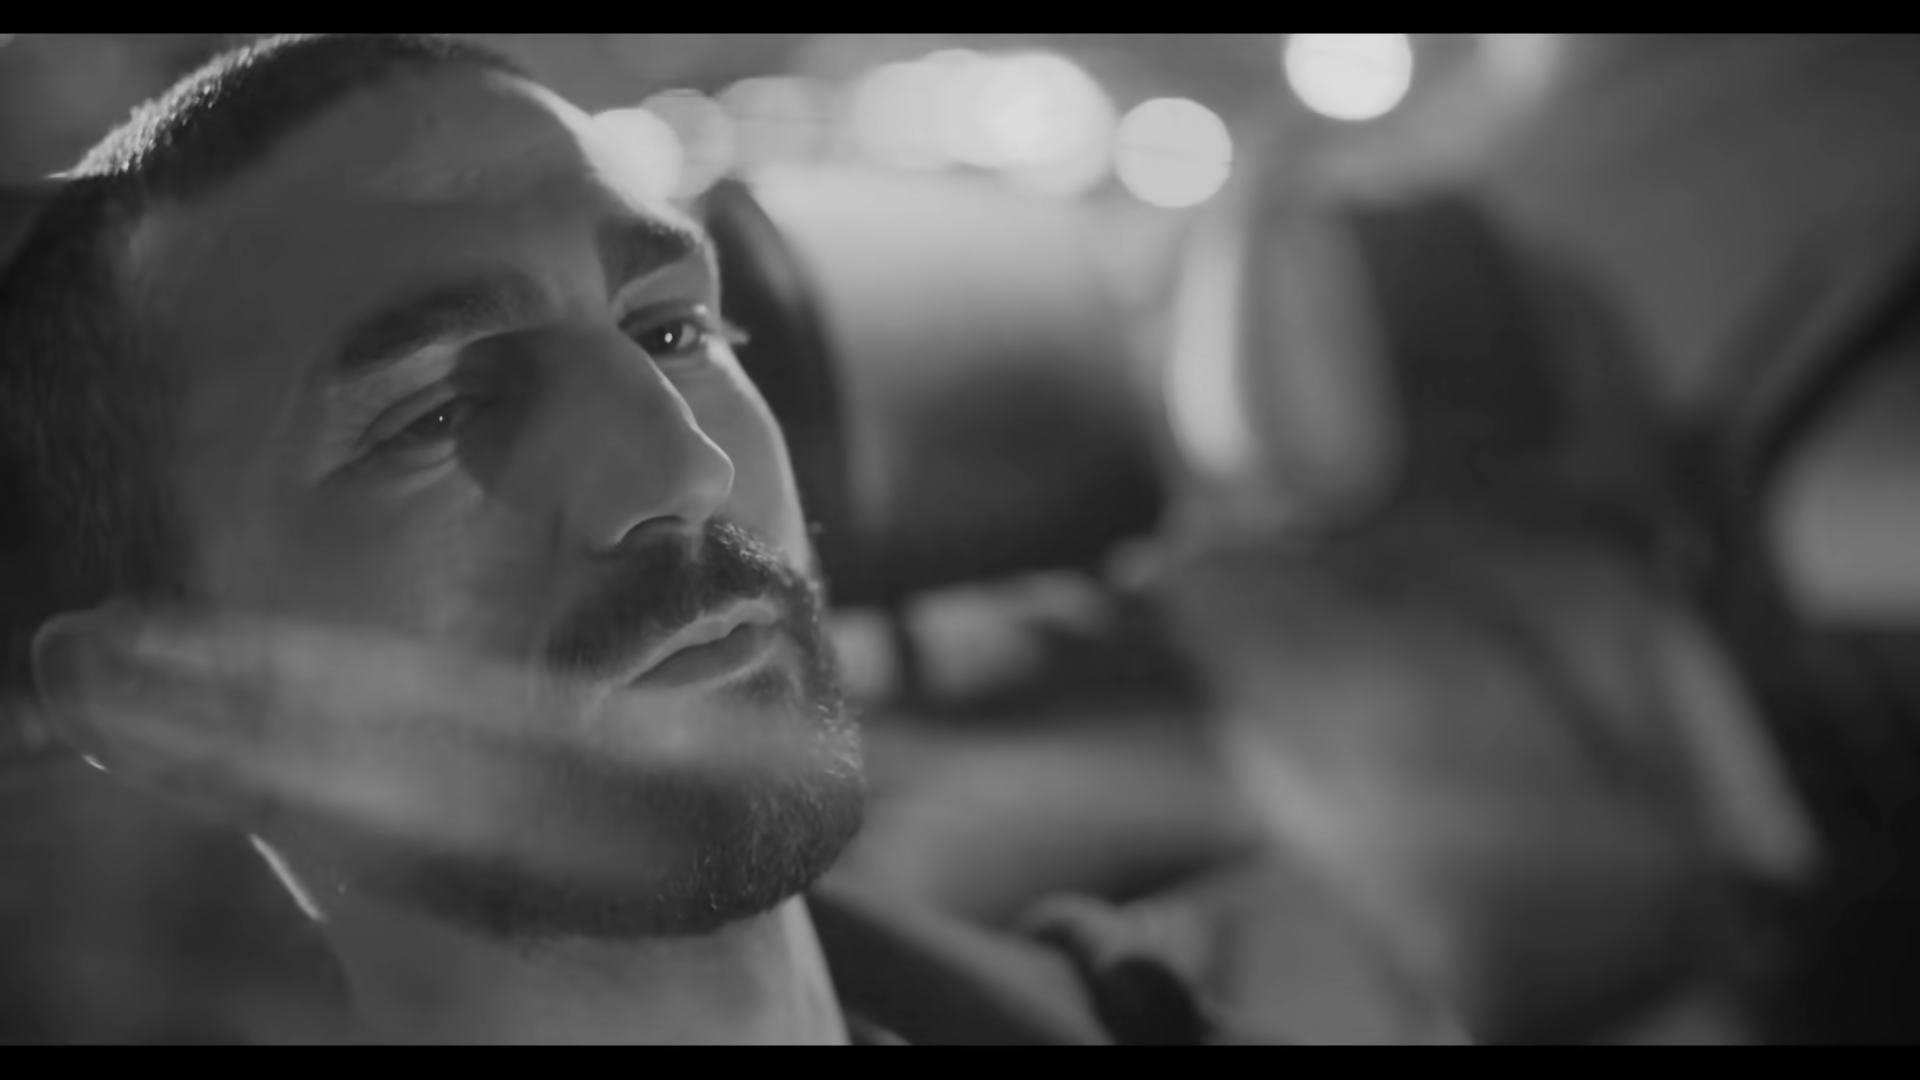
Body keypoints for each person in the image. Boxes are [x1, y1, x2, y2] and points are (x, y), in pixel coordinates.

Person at [0, 33, 1177, 1045]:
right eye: (434, 415)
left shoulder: (1124, 998)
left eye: (670, 334)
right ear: (167, 704)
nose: (686, 470)